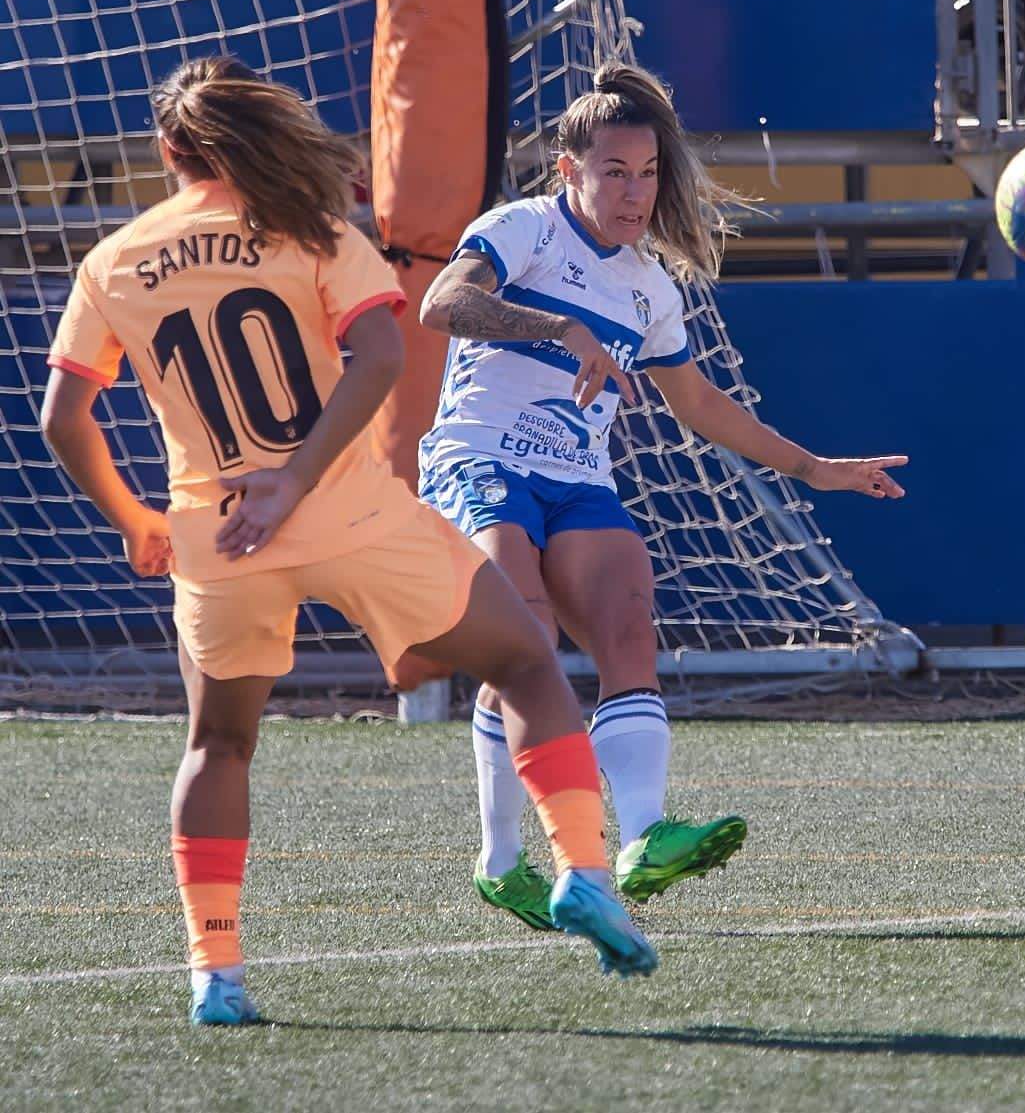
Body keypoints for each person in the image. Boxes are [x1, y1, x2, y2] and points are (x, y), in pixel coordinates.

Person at [40, 56, 658, 1026]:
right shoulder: (311, 230)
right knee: (527, 662)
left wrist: (136, 520)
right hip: (351, 516)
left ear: (170, 153)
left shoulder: (113, 259)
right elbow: (379, 354)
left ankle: (218, 974)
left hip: (221, 537)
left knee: (218, 744)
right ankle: (581, 868)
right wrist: (295, 476)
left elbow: (63, 418)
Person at [417, 61, 908, 924]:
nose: (634, 191)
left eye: (647, 173)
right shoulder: (523, 228)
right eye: (614, 171)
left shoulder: (648, 287)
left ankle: (642, 836)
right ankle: (501, 859)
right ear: (569, 170)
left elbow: (700, 403)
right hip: (480, 462)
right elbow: (440, 303)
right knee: (524, 638)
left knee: (628, 627)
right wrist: (559, 327)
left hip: (575, 480)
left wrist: (816, 467)